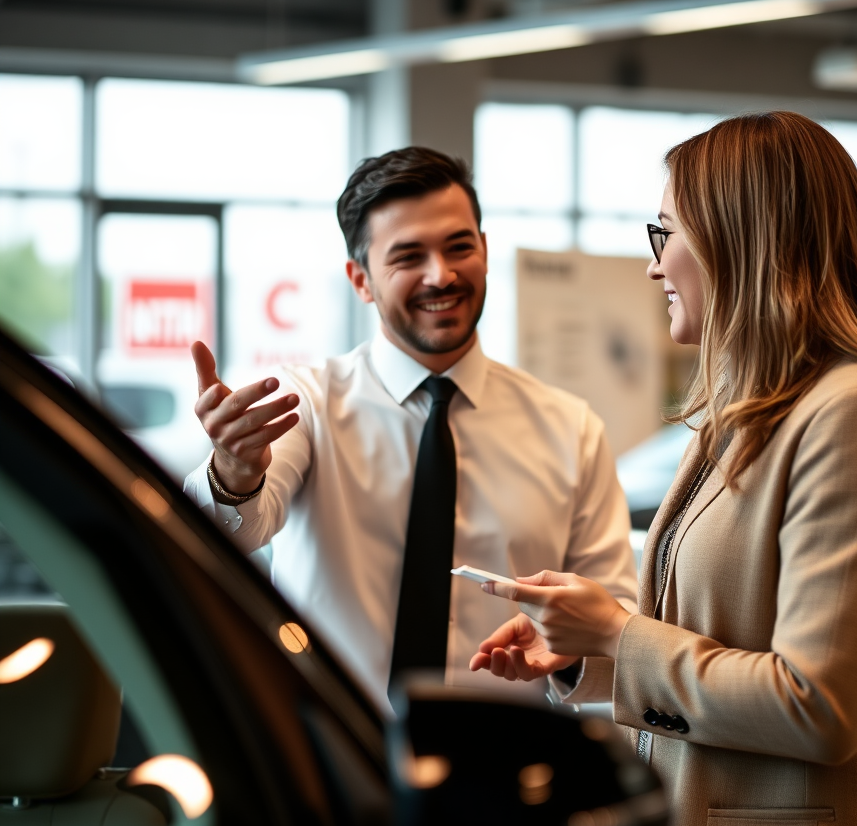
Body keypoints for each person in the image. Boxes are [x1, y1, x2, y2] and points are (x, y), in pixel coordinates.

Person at [470, 112, 857, 826]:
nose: (653, 265)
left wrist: (617, 633)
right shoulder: (748, 416)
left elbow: (819, 708)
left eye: (664, 232)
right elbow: (717, 642)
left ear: (743, 237)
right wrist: (583, 653)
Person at [183, 146, 637, 715]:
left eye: (459, 247)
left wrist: (567, 658)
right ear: (361, 280)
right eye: (407, 256)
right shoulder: (306, 402)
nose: (440, 275)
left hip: (508, 769)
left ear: (486, 251)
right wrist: (234, 473)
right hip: (337, 763)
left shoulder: (571, 429)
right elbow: (233, 534)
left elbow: (616, 622)